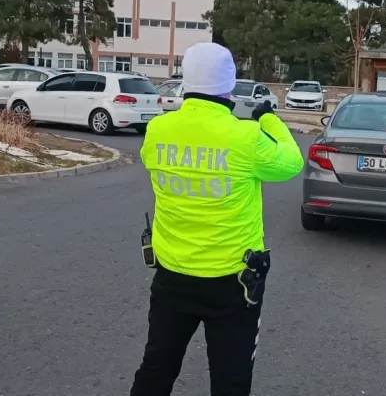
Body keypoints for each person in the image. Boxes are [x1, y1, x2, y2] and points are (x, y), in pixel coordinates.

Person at [131, 42, 305, 396]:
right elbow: (291, 162)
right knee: (231, 379)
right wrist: (268, 117)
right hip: (233, 281)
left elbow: (155, 161)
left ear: (185, 81)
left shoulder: (159, 130)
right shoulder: (246, 137)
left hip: (172, 274)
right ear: (228, 86)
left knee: (157, 369)